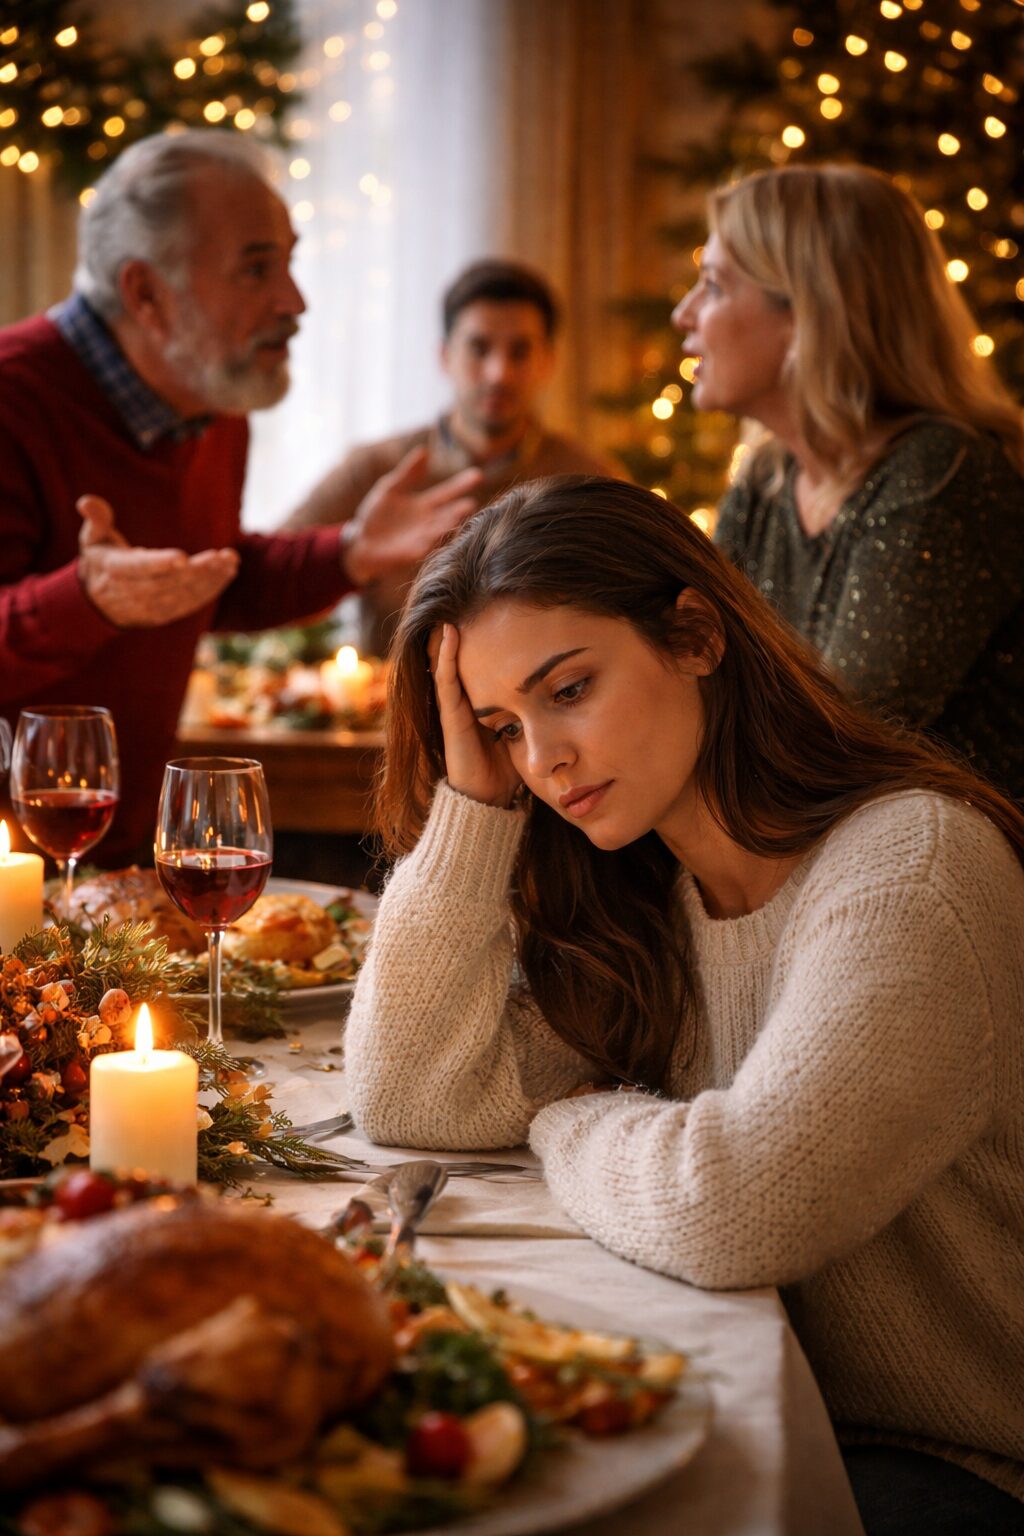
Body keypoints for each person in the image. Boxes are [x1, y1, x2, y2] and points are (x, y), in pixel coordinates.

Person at [344, 477, 1024, 1535]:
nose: (544, 759)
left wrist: (572, 1114)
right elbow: (412, 1096)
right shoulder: (645, 901)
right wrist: (474, 808)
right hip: (770, 1405)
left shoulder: (909, 869)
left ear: (696, 635)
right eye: (501, 727)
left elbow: (741, 1203)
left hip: (965, 1466)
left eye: (567, 689)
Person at [0, 131, 480, 864]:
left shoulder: (211, 400)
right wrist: (86, 599)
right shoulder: (13, 399)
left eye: (288, 262)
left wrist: (349, 552)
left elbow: (204, 579)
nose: (295, 300)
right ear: (145, 293)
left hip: (112, 865)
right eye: (257, 269)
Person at [670, 162, 1024, 802]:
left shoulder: (942, 474)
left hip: (953, 864)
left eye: (715, 286)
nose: (683, 313)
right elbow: (694, 677)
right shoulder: (765, 482)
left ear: (808, 313)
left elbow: (836, 740)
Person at [281, 259, 617, 654]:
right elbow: (276, 568)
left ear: (548, 361)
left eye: (520, 352)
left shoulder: (589, 482)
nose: (498, 373)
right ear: (445, 356)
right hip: (385, 707)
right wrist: (354, 550)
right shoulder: (380, 468)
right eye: (479, 348)